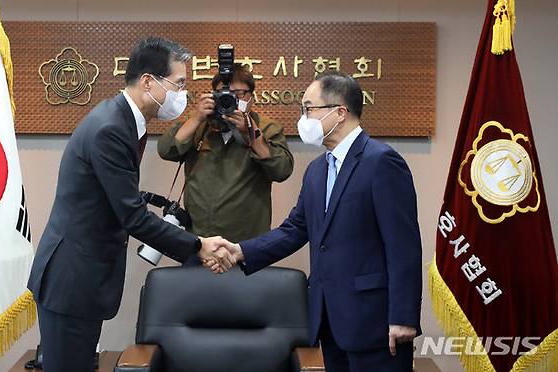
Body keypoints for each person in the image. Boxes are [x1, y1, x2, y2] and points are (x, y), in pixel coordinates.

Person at [27, 37, 234, 372]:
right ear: (148, 81)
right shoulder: (111, 128)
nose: (183, 95)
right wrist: (198, 246)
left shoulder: (122, 120)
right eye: (179, 84)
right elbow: (133, 219)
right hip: (72, 280)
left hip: (80, 277)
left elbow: (111, 200)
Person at [209, 71, 422, 372]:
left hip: (375, 322)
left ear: (339, 112)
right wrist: (239, 251)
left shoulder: (381, 162)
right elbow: (295, 229)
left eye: (309, 108)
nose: (303, 117)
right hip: (329, 319)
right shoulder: (316, 170)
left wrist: (403, 316)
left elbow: (404, 246)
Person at [157, 63, 293, 264]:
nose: (233, 100)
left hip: (247, 246)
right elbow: (166, 150)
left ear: (251, 97)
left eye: (240, 94)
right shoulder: (201, 126)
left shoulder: (266, 128)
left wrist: (250, 134)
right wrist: (197, 117)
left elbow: (282, 170)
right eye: (224, 94)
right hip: (200, 244)